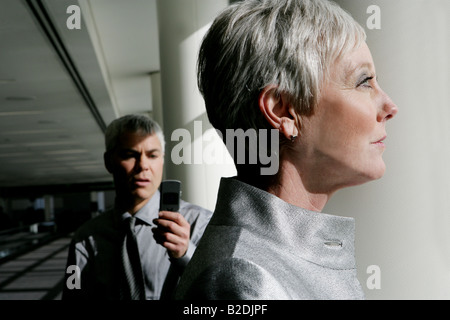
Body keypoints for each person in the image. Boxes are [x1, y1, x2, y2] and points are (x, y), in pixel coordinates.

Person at [175, 0, 398, 300]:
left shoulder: (265, 261)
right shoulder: (242, 279)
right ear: (283, 110)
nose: (390, 107)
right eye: (364, 82)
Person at [62, 114, 212, 300]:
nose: (143, 166)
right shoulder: (84, 239)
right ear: (109, 162)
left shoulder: (201, 223)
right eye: (130, 155)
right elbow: (72, 293)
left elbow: (222, 292)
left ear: (162, 160)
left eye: (152, 155)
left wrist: (185, 254)